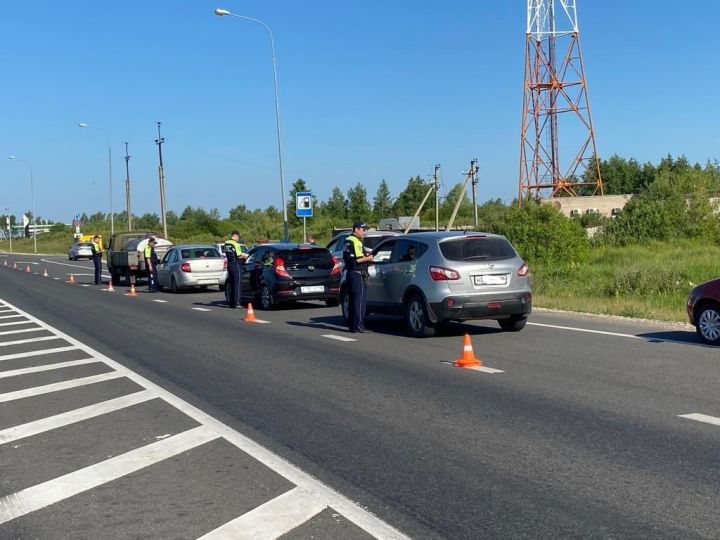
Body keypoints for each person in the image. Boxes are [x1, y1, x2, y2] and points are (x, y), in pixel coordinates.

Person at [343, 221, 374, 333]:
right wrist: (369, 258)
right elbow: (358, 259)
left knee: (352, 300)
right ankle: (359, 325)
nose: (364, 231)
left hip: (350, 273)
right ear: (356, 229)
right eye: (362, 229)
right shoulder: (356, 241)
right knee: (360, 301)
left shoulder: (348, 240)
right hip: (358, 274)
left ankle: (352, 326)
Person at [225, 230, 247, 308]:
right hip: (236, 264)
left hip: (229, 264)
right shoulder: (236, 244)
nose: (238, 239)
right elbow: (239, 256)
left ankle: (231, 302)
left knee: (231, 283)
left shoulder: (227, 243)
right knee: (237, 284)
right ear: (235, 236)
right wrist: (246, 256)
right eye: (238, 237)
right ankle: (237, 303)